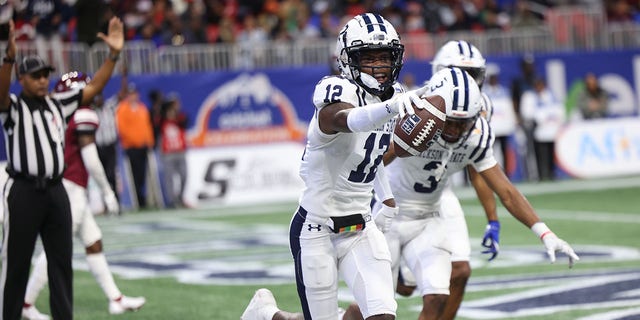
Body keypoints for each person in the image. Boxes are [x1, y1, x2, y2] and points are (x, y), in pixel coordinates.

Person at [242, 13, 424, 320]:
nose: (379, 66)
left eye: (385, 57)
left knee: (382, 315)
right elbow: (347, 122)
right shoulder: (335, 91)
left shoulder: (394, 98)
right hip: (317, 228)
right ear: (347, 60)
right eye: (368, 58)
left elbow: (371, 151)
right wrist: (391, 107)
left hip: (361, 226)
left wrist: (387, 197)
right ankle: (268, 315)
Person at [377, 67, 579, 320]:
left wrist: (544, 232)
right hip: (386, 217)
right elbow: (370, 165)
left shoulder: (477, 136)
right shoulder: (414, 118)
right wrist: (398, 144)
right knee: (378, 312)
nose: (453, 130)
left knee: (439, 296)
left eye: (462, 123)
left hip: (428, 217)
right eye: (449, 120)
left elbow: (505, 189)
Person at [0, 17, 123, 320]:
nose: (42, 80)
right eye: (35, 75)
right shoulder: (14, 107)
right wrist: (9, 58)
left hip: (56, 191)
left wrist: (114, 56)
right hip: (24, 191)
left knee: (61, 264)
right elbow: (0, 94)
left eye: (44, 75)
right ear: (22, 78)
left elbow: (94, 87)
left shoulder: (59, 103)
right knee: (16, 264)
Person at [21, 72, 146, 320]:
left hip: (67, 185)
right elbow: (90, 158)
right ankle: (25, 303)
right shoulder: (82, 113)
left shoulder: (59, 113)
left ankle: (115, 299)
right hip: (71, 189)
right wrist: (108, 191)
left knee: (93, 242)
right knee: (56, 248)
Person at [115, 82, 155, 209]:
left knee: (143, 175)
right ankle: (137, 200)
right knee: (134, 176)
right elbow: (122, 129)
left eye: (135, 93)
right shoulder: (122, 109)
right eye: (131, 93)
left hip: (143, 147)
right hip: (131, 147)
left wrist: (149, 141)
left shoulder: (142, 108)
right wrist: (135, 141)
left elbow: (147, 126)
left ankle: (144, 199)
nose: (133, 96)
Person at [94, 66, 127, 213]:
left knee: (112, 174)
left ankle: (117, 204)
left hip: (110, 146)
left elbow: (122, 94)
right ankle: (107, 205)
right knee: (102, 177)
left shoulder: (110, 106)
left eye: (100, 96)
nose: (99, 99)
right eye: (96, 97)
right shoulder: (90, 111)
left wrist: (123, 78)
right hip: (98, 147)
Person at [520, 77, 566, 181]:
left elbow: (559, 111)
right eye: (537, 85)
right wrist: (540, 118)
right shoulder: (530, 97)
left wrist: (551, 119)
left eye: (541, 85)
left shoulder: (551, 96)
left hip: (552, 130)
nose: (539, 87)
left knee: (551, 153)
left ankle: (551, 173)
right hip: (538, 130)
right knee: (540, 154)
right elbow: (527, 113)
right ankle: (541, 174)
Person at [483, 64, 517, 173]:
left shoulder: (504, 91)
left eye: (495, 76)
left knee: (504, 151)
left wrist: (512, 122)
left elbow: (508, 109)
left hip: (503, 127)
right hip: (491, 128)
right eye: (491, 77)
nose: (493, 79)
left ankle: (506, 174)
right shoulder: (483, 92)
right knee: (490, 152)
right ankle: (492, 173)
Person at [158, 93, 189, 208]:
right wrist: (165, 112)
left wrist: (174, 115)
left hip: (180, 151)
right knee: (169, 178)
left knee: (184, 176)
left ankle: (180, 198)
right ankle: (172, 202)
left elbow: (185, 122)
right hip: (168, 153)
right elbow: (157, 122)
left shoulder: (180, 117)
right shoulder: (162, 119)